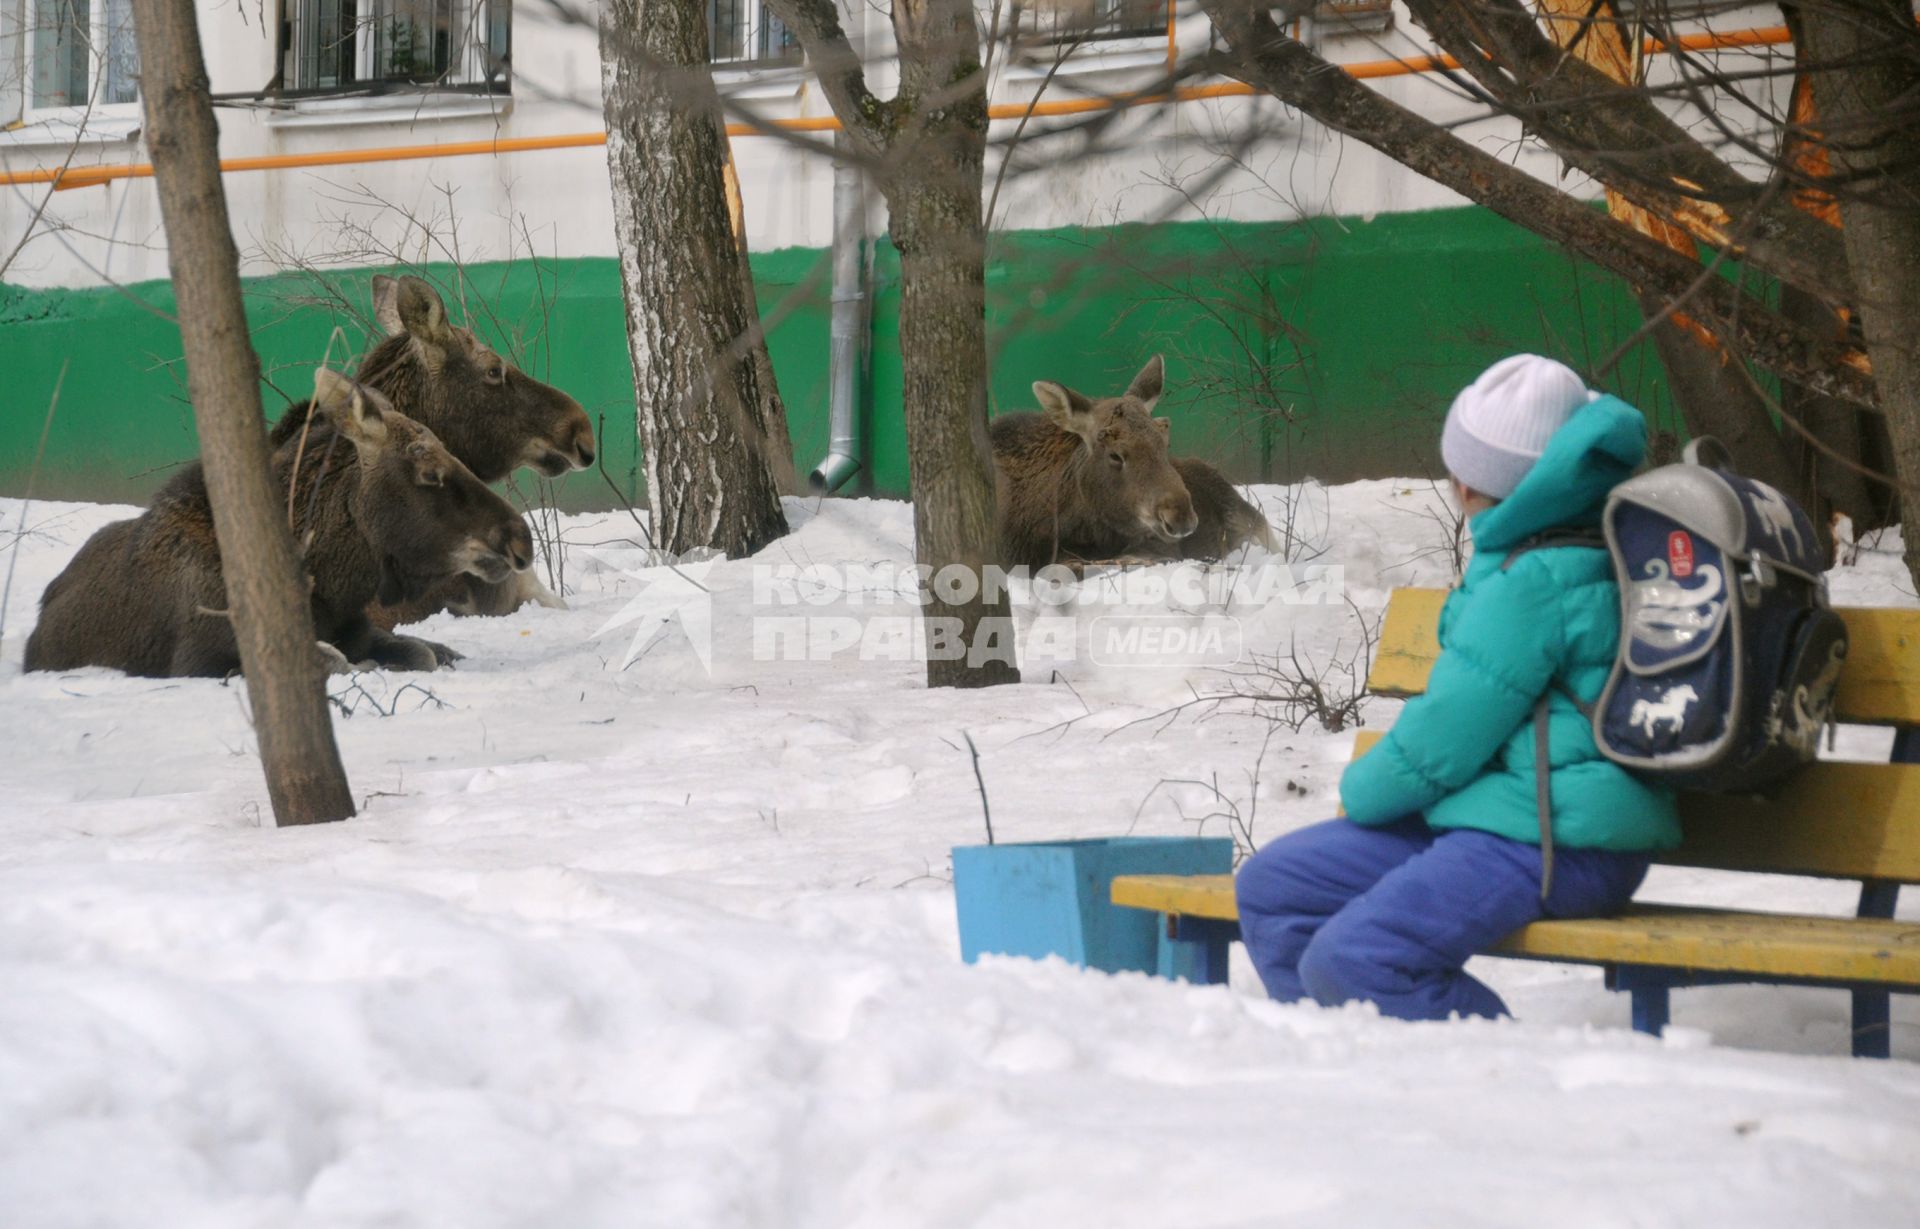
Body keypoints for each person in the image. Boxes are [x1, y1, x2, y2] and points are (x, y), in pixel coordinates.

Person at [1235, 354, 1680, 1021]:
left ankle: (1507, 1083)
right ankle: (1340, 1070)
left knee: (1356, 958)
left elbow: (1442, 737)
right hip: (1496, 822)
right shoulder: (1541, 548)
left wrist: (1361, 796)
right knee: (1275, 886)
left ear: (1476, 484)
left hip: (1561, 842)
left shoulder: (1537, 580)